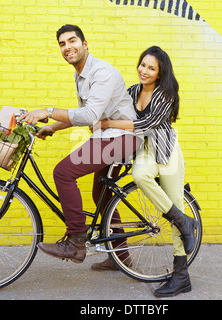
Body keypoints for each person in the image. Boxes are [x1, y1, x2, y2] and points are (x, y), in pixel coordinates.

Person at [18, 24, 139, 264]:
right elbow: (84, 113)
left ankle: (75, 242)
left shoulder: (101, 72)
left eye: (72, 41)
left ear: (85, 44)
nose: (67, 47)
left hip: (120, 137)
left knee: (63, 172)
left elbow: (89, 115)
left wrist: (49, 111)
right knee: (101, 195)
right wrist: (52, 126)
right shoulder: (81, 74)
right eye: (62, 44)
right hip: (108, 136)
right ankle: (122, 258)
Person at [93, 46, 197, 297]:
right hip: (142, 151)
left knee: (173, 206)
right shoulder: (132, 91)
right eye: (143, 65)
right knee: (129, 180)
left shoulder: (167, 93)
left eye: (151, 68)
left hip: (166, 153)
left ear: (160, 74)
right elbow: (116, 109)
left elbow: (144, 123)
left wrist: (107, 123)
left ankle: (181, 275)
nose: (145, 71)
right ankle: (179, 221)